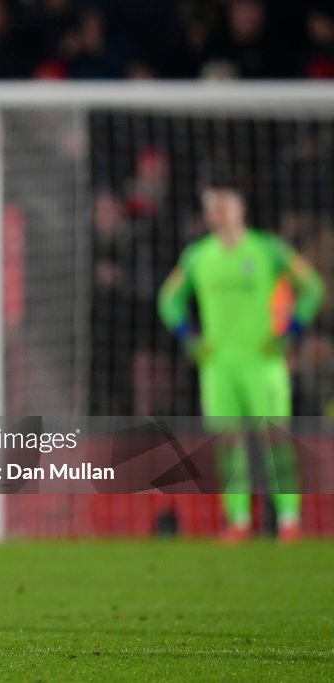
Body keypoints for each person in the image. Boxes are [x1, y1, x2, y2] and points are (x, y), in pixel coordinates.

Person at [158, 172, 325, 542]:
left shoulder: (268, 249)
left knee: (275, 442)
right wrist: (189, 337)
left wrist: (292, 332)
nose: (217, 214)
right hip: (218, 366)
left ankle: (289, 521)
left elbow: (312, 287)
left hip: (264, 363)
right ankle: (237, 521)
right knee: (229, 445)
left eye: (223, 206)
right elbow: (168, 300)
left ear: (240, 207)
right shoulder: (198, 256)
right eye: (211, 208)